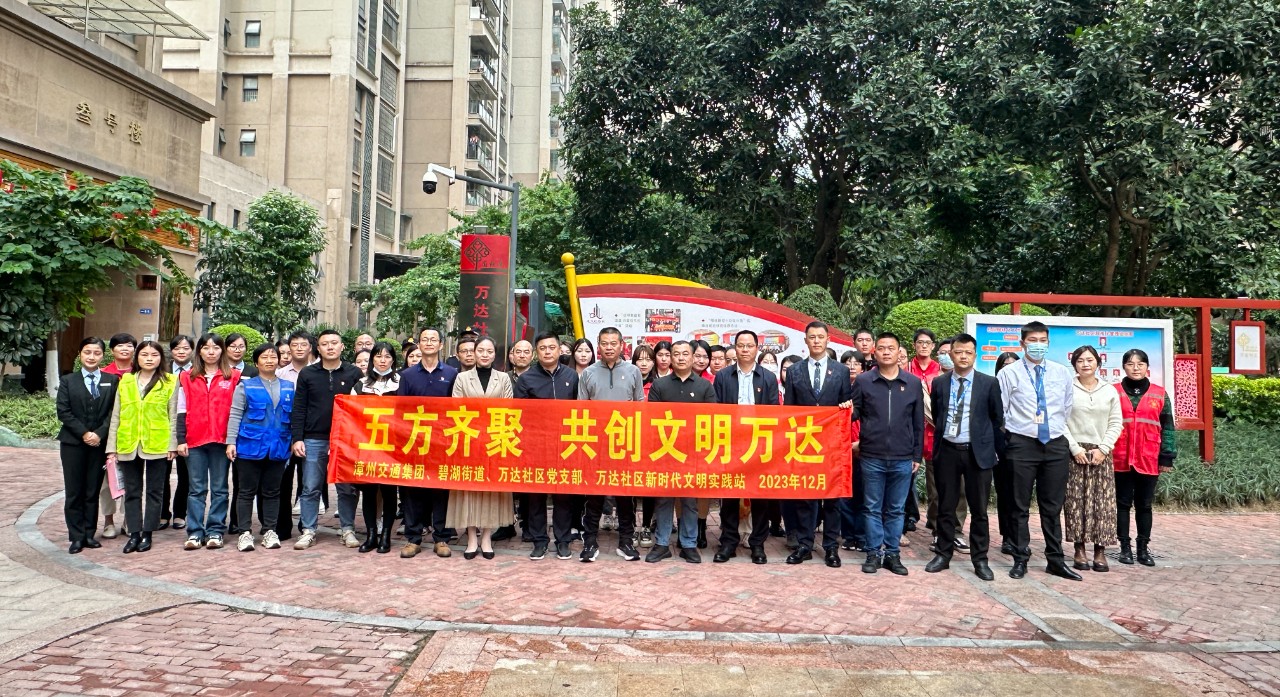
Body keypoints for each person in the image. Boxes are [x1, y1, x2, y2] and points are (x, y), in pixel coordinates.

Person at [997, 321, 1080, 581]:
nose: (1038, 345)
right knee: (1018, 505)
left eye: (1043, 340)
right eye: (1033, 340)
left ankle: (1055, 559)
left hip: (1054, 444)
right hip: (1021, 444)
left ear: (1048, 343)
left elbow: (1066, 407)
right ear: (1022, 343)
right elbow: (1001, 410)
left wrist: (1053, 430)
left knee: (1052, 506)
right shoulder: (1009, 373)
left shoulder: (1061, 372)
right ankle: (1020, 558)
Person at [924, 334, 1005, 581]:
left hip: (977, 453)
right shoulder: (940, 383)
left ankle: (980, 559)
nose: (963, 356)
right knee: (946, 506)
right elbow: (938, 415)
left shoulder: (988, 383)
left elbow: (996, 418)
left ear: (975, 355)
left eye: (968, 352)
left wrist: (993, 450)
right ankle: (943, 554)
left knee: (979, 509)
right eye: (958, 352)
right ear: (951, 354)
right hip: (948, 451)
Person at [852, 332, 924, 576]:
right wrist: (844, 409)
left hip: (903, 458)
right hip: (871, 456)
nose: (885, 352)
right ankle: (873, 553)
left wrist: (916, 456)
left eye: (890, 348)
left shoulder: (912, 383)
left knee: (896, 509)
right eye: (881, 348)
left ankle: (892, 554)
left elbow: (918, 423)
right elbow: (855, 413)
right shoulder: (864, 381)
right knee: (872, 508)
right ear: (874, 351)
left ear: (899, 352)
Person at [784, 322, 854, 567]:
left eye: (820, 337)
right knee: (806, 496)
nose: (816, 341)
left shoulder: (841, 371)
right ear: (805, 340)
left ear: (827, 340)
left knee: (833, 498)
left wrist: (846, 408)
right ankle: (805, 544)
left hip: (832, 444)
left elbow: (847, 408)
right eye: (812, 337)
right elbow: (789, 410)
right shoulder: (795, 371)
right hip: (805, 444)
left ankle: (831, 547)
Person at [290, 329, 364, 550]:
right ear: (318, 348)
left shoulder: (353, 373)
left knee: (346, 487)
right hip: (314, 438)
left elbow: (361, 408)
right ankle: (309, 530)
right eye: (325, 344)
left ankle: (347, 528)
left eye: (334, 343)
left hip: (345, 440)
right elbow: (299, 407)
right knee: (310, 486)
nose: (330, 347)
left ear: (342, 346)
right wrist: (297, 438)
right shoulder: (308, 374)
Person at [578, 327, 645, 562]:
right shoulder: (588, 373)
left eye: (613, 343)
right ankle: (590, 541)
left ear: (621, 345)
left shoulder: (633, 371)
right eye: (604, 343)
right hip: (596, 444)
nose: (609, 347)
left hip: (624, 442)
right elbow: (581, 410)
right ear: (598, 345)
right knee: (594, 494)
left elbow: (640, 407)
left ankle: (626, 541)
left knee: (625, 495)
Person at [712, 330, 779, 564]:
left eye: (749, 345)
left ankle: (757, 543)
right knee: (729, 493)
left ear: (757, 348)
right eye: (741, 345)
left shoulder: (768, 378)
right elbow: (716, 409)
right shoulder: (723, 376)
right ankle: (728, 541)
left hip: (759, 443)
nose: (745, 349)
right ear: (735, 348)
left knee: (759, 495)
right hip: (731, 442)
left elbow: (774, 412)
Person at [646, 340, 716, 563]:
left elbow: (712, 421)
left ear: (693, 357)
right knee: (664, 499)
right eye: (676, 354)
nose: (681, 358)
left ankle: (688, 544)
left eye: (686, 354)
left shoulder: (705, 387)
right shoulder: (660, 385)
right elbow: (652, 420)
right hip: (666, 452)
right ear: (670, 358)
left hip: (694, 453)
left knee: (690, 500)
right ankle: (662, 543)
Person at [105, 340, 177, 554]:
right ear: (137, 358)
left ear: (161, 359)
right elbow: (116, 415)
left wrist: (172, 444)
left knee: (155, 491)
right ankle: (134, 533)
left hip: (158, 443)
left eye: (154, 355)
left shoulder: (171, 381)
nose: (149, 358)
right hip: (128, 442)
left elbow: (173, 416)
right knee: (132, 491)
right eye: (144, 354)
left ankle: (148, 533)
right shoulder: (126, 381)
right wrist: (111, 448)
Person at [514, 331, 581, 560]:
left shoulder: (572, 376)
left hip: (565, 445)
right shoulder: (526, 379)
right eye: (542, 348)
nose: (547, 352)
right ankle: (539, 541)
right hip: (536, 447)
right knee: (536, 497)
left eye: (552, 347)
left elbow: (580, 411)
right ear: (536, 352)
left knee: (563, 496)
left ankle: (563, 541)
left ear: (559, 349)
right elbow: (519, 415)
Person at [447, 336, 515, 560]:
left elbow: (508, 409)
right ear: (473, 353)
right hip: (469, 441)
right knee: (469, 489)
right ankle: (471, 538)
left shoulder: (503, 378)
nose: (485, 355)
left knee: (491, 490)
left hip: (495, 440)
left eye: (489, 351)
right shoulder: (461, 378)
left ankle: (486, 537)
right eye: (480, 351)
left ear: (495, 355)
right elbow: (457, 408)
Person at [397, 328, 459, 558]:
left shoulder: (452, 373)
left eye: (434, 339)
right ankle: (413, 538)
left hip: (443, 442)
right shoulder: (407, 375)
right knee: (412, 490)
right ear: (419, 344)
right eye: (425, 339)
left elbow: (457, 408)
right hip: (415, 441)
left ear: (441, 345)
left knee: (441, 490)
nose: (429, 343)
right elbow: (400, 410)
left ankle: (441, 538)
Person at [226, 344, 294, 552]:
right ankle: (244, 532)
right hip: (249, 446)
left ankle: (270, 530)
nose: (269, 360)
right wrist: (230, 441)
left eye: (273, 357)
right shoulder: (246, 386)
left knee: (273, 491)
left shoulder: (288, 387)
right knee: (246, 491)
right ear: (256, 362)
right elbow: (235, 414)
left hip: (278, 446)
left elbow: (293, 417)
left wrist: (293, 441)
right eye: (264, 357)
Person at [176, 333, 241, 550]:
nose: (211, 352)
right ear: (199, 351)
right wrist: (181, 439)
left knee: (220, 488)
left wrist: (232, 440)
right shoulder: (187, 377)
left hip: (221, 440)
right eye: (206, 348)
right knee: (196, 489)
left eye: (215, 348)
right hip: (195, 440)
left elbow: (237, 410)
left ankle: (215, 530)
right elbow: (181, 409)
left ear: (222, 350)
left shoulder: (233, 376)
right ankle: (195, 532)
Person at [56, 338, 120, 554]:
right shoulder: (68, 380)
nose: (91, 357)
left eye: (96, 353)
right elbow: (63, 411)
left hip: (99, 443)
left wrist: (99, 434)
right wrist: (84, 433)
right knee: (74, 490)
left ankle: (89, 534)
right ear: (80, 354)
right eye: (87, 352)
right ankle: (76, 536)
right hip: (73, 443)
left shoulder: (112, 380)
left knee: (93, 490)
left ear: (103, 355)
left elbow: (114, 412)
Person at [1113, 349, 1176, 567]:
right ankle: (1124, 547)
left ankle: (1142, 548)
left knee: (1144, 505)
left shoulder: (1160, 394)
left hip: (1148, 457)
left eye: (1140, 364)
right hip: (1119, 457)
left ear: (1147, 367)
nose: (1136, 368)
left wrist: (1167, 457)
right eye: (1130, 364)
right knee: (1122, 504)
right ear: (1124, 367)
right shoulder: (1113, 392)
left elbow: (1168, 427)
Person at [1063, 345, 1123, 572]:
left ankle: (1100, 551)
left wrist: (1104, 448)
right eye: (1080, 360)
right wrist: (1074, 448)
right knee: (1075, 501)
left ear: (1098, 362)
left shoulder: (1109, 390)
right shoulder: (1067, 388)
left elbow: (1116, 422)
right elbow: (1060, 421)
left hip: (1101, 453)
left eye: (1089, 360)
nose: (1085, 364)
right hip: (1075, 452)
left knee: (1103, 503)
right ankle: (1079, 549)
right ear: (1074, 365)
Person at [351, 342, 402, 553]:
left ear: (393, 360)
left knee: (389, 491)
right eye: (379, 356)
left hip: (393, 445)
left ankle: (386, 535)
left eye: (387, 356)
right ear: (372, 358)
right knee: (369, 491)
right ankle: (371, 534)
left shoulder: (400, 383)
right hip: (367, 445)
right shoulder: (360, 385)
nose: (383, 360)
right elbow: (351, 415)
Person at [276, 331, 317, 541]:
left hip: (309, 433)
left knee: (307, 482)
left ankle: (306, 525)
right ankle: (282, 526)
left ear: (311, 347)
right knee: (283, 481)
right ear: (288, 348)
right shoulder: (280, 374)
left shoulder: (318, 372)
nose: (299, 348)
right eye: (295, 344)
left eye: (303, 344)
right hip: (283, 435)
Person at [99, 332, 135, 539]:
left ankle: (129, 519)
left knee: (132, 479)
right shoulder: (103, 374)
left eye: (129, 345)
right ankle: (108, 521)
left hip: (133, 434)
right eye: (120, 345)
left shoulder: (140, 373)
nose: (124, 349)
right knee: (107, 479)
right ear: (112, 350)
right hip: (107, 434)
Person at [907, 329, 942, 539]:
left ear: (933, 346)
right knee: (904, 480)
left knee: (935, 483)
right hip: (910, 433)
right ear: (914, 345)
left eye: (927, 343)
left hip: (934, 433)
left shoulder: (940, 371)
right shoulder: (905, 369)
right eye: (920, 342)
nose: (924, 346)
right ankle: (906, 520)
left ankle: (936, 524)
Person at [224, 333, 258, 535]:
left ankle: (236, 521)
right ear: (226, 348)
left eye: (241, 346)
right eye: (233, 346)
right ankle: (217, 521)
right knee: (220, 483)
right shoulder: (219, 369)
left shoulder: (253, 371)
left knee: (241, 481)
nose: (237, 350)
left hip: (245, 432)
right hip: (220, 428)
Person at [162, 334, 194, 531]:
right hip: (163, 429)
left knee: (186, 475)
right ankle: (162, 514)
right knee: (162, 475)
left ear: (192, 350)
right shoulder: (162, 371)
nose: (181, 351)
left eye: (185, 348)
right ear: (171, 351)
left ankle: (180, 513)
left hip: (187, 429)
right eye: (177, 348)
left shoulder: (197, 372)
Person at [630, 343, 659, 546]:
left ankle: (647, 525)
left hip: (652, 443)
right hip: (630, 439)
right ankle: (631, 526)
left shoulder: (659, 385)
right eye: (639, 359)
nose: (644, 363)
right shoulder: (627, 381)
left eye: (648, 359)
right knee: (630, 485)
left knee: (649, 485)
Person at [993, 350, 1021, 554]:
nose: (1009, 369)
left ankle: (1020, 536)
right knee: (1005, 492)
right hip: (1000, 445)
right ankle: (1007, 537)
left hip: (1023, 445)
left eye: (1013, 365)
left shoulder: (1026, 388)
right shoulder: (992, 387)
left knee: (1020, 493)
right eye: (1005, 365)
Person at [838, 353, 866, 553]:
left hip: (865, 447)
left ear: (863, 368)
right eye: (848, 363)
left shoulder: (869, 388)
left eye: (857, 363)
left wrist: (861, 443)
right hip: (842, 449)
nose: (852, 367)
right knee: (844, 494)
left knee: (864, 495)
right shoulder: (838, 389)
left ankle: (862, 536)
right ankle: (848, 536)